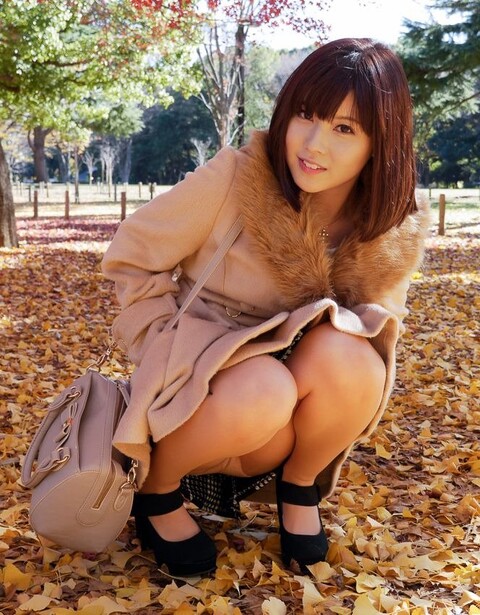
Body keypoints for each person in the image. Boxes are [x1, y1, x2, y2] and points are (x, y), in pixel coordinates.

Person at [101, 37, 430, 577]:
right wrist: (161, 344)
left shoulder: (390, 229)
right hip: (198, 395)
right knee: (265, 388)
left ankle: (298, 487)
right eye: (306, 115)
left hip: (288, 422)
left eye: (344, 128)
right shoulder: (237, 178)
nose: (313, 144)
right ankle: (156, 488)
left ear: (381, 142)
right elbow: (132, 254)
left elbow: (379, 331)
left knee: (355, 357)